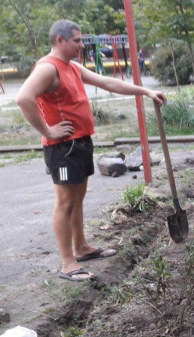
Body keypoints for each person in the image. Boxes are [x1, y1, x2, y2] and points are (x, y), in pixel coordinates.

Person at [15, 20, 167, 282]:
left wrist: (145, 91)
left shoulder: (71, 67)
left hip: (80, 142)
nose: (82, 45)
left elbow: (109, 83)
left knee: (78, 198)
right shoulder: (47, 68)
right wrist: (48, 131)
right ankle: (68, 263)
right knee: (65, 203)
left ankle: (82, 247)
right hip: (62, 146)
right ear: (60, 41)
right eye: (77, 40)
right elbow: (23, 98)